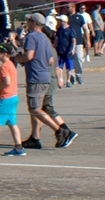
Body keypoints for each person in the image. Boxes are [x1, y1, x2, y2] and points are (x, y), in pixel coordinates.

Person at [22, 13, 76, 149]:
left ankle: (61, 131)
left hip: (36, 77)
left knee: (36, 109)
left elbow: (28, 56)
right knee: (39, 108)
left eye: (29, 20)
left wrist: (18, 58)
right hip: (46, 77)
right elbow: (52, 61)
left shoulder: (32, 37)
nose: (27, 22)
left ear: (34, 22)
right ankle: (35, 138)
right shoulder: (46, 40)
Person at [54, 13, 77, 87]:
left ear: (64, 21)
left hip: (68, 50)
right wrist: (54, 46)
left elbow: (74, 40)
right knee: (59, 66)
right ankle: (60, 79)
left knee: (69, 67)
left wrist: (73, 49)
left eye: (60, 20)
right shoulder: (59, 29)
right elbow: (57, 39)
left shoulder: (70, 29)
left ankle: (68, 80)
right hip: (60, 50)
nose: (59, 22)